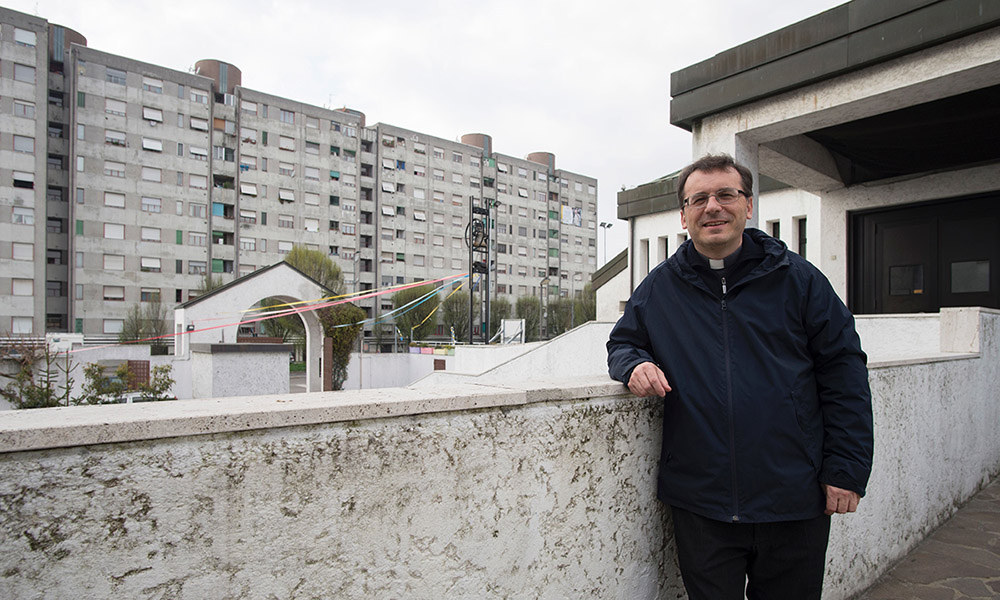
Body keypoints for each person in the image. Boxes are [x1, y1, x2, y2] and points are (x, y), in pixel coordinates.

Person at [607, 154, 873, 599]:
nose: (712, 207)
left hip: (793, 497)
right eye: (699, 199)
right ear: (684, 214)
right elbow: (622, 342)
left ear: (749, 206)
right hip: (701, 501)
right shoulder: (660, 287)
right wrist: (635, 365)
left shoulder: (800, 281)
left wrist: (846, 470)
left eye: (726, 195)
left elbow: (844, 375)